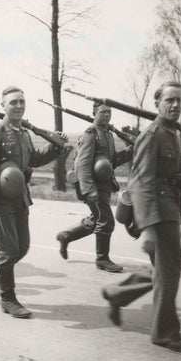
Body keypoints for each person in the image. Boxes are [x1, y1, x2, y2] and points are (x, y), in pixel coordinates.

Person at [102, 82, 181, 352]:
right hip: (157, 212)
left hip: (169, 207)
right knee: (169, 271)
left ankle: (117, 294)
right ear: (157, 103)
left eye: (179, 100)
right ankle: (165, 333)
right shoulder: (153, 134)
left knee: (164, 269)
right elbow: (140, 182)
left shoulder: (173, 132)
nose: (175, 105)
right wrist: (147, 228)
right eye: (169, 100)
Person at [0, 86, 67, 318]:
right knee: (8, 250)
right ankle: (8, 299)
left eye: (22, 102)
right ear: (3, 105)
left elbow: (32, 159)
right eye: (13, 102)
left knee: (21, 248)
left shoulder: (23, 132)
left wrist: (55, 147)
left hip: (19, 199)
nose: (18, 106)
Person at [56, 102, 133, 272]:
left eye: (109, 112)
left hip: (104, 184)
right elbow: (82, 164)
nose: (107, 115)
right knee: (106, 221)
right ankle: (102, 259)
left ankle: (65, 236)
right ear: (94, 113)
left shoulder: (108, 134)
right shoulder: (90, 134)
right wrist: (89, 190)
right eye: (103, 112)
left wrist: (132, 149)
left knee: (95, 220)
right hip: (93, 186)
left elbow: (113, 160)